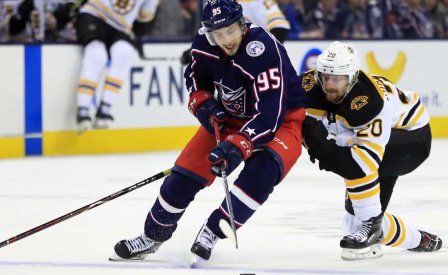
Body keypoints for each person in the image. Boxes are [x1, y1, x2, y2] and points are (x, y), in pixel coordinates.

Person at [110, 0, 306, 262]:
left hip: (282, 121)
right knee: (182, 178)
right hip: (230, 119)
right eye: (217, 33)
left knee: (262, 174)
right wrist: (203, 104)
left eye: (230, 31)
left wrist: (239, 145)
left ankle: (212, 232)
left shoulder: (263, 49)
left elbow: (270, 114)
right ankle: (153, 235)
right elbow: (193, 76)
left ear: (242, 25)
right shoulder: (205, 43)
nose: (224, 39)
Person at [301, 41, 442, 260]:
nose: (329, 84)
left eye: (337, 79)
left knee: (353, 158)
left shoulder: (370, 102)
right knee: (352, 226)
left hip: (411, 139)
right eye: (325, 77)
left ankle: (373, 225)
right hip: (382, 141)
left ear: (352, 77)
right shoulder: (310, 84)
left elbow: (363, 164)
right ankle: (418, 239)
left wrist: (325, 150)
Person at [75, 0, 158, 131]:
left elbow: (145, 16)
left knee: (124, 52)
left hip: (121, 27)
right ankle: (83, 109)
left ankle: (105, 109)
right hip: (94, 13)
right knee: (97, 55)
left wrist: (137, 38)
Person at [180, 0, 290, 65]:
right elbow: (215, 32)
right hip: (232, 63)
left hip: (258, 63)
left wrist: (261, 51)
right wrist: (194, 52)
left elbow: (280, 28)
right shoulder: (221, 3)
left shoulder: (261, 2)